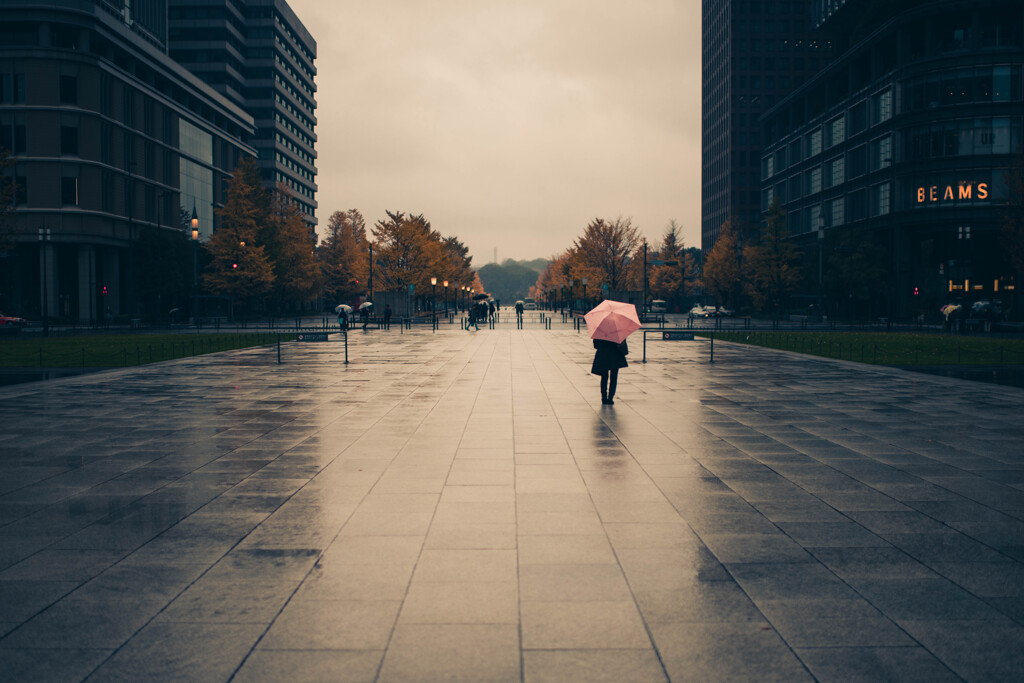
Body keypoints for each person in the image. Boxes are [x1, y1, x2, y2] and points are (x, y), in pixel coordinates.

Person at [591, 338, 628, 405]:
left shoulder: (600, 331)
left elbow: (595, 345)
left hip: (603, 355)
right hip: (615, 355)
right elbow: (621, 344)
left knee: (604, 377)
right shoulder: (617, 332)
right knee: (614, 377)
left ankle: (604, 397)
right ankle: (610, 397)